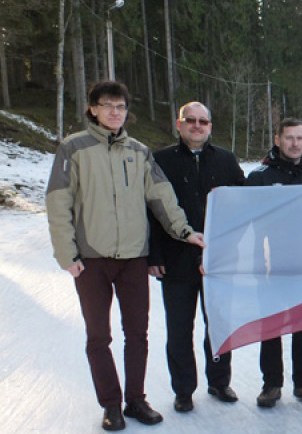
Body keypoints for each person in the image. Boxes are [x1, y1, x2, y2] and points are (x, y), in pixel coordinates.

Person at [45, 81, 205, 431]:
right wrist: (66, 254)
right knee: (98, 336)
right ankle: (111, 404)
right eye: (107, 105)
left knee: (138, 333)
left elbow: (162, 197)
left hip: (133, 257)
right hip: (92, 259)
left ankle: (136, 399)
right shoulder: (73, 149)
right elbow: (58, 204)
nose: (115, 112)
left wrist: (184, 230)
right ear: (93, 109)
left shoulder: (139, 151)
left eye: (120, 106)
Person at [148, 102, 245, 413]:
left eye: (203, 121)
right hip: (176, 260)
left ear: (210, 127)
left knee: (217, 324)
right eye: (190, 120)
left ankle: (219, 381)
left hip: (218, 262)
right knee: (179, 328)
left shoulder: (227, 161)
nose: (197, 125)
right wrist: (154, 254)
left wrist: (231, 250)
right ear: (179, 124)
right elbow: (150, 211)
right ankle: (184, 390)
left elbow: (243, 208)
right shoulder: (160, 160)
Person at [245, 117, 302, 408]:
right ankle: (271, 384)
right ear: (278, 139)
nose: (295, 144)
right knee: (270, 325)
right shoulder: (259, 177)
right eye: (289, 138)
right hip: (269, 263)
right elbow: (243, 220)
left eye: (300, 138)